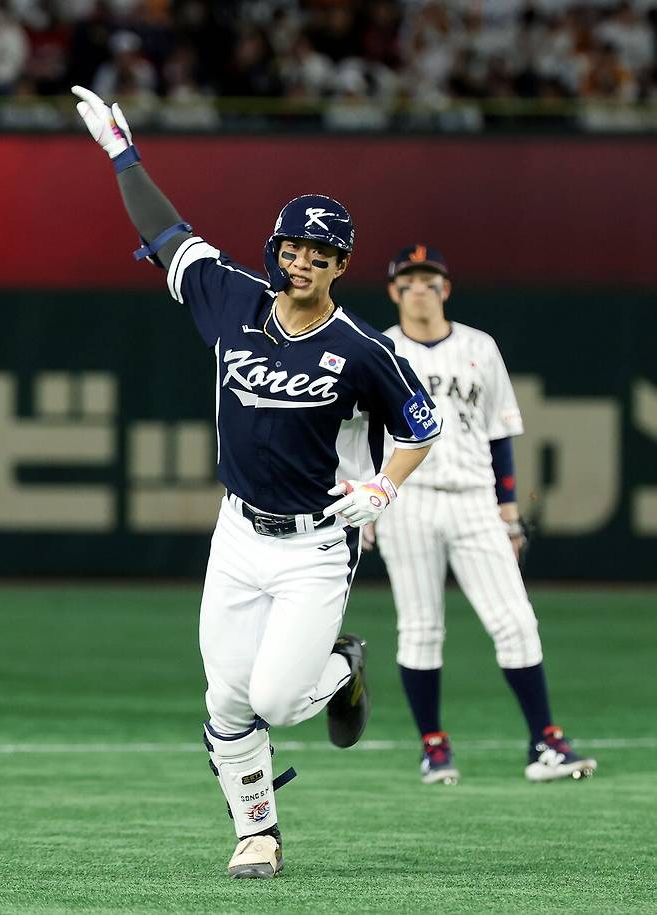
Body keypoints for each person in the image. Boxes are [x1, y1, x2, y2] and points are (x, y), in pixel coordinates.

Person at [71, 87, 442, 879]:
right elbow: (165, 233)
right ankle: (258, 834)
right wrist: (120, 152)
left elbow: (422, 426)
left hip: (314, 542)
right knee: (225, 701)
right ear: (276, 249)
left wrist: (383, 487)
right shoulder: (231, 298)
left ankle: (340, 664)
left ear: (342, 266)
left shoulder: (362, 347)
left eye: (320, 253)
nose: (302, 260)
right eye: (292, 246)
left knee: (275, 699)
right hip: (238, 533)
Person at [365, 244, 597, 785]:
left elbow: (500, 433)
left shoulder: (479, 346)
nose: (420, 288)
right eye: (410, 280)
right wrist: (369, 503)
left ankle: (545, 743)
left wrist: (509, 511)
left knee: (516, 621)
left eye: (430, 279)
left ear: (446, 288)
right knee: (421, 628)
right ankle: (433, 747)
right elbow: (360, 433)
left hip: (474, 497)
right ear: (394, 291)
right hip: (409, 499)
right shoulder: (377, 349)